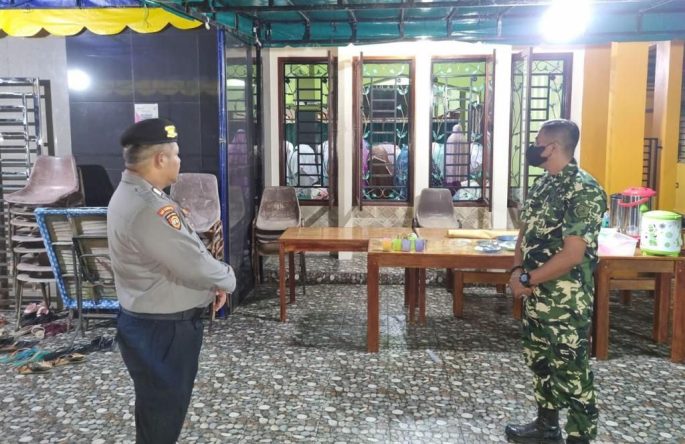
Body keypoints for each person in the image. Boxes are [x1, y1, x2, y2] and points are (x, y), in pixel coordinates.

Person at [108, 118, 236, 444]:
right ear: (160, 159)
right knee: (163, 412)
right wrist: (226, 278)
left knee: (155, 407)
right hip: (164, 332)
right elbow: (194, 264)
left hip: (147, 323)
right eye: (176, 154)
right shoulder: (149, 207)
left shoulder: (132, 194)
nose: (180, 160)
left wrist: (209, 285)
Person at [506, 119, 606, 444]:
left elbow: (573, 254)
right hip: (535, 296)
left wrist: (527, 278)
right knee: (540, 362)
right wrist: (516, 270)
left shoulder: (585, 190)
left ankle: (579, 437)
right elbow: (524, 232)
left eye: (538, 143)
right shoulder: (542, 184)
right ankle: (546, 427)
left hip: (566, 301)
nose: (533, 149)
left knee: (572, 370)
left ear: (552, 147)